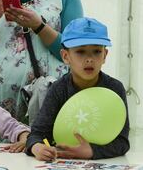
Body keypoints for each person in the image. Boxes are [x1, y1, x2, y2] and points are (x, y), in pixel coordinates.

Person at [26, 17, 130, 160]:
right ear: (65, 56)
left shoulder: (115, 88)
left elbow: (123, 142)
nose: (89, 59)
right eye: (81, 51)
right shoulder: (58, 89)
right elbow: (37, 134)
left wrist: (92, 151)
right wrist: (37, 147)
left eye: (97, 51)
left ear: (105, 55)